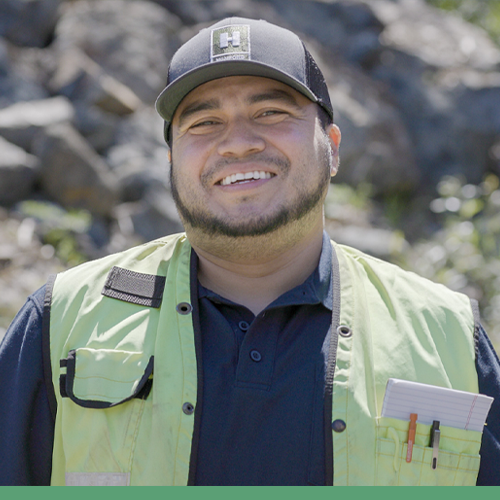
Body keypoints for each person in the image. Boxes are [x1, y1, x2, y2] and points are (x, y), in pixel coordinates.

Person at [0, 17, 499, 486]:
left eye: (270, 113)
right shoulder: (61, 320)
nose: (238, 144)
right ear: (171, 160)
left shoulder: (448, 335)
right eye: (204, 122)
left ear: (332, 146)